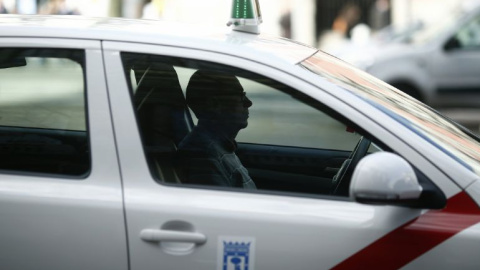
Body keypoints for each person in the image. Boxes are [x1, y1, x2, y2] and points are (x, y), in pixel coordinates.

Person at [177, 69, 256, 189]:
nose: (248, 103)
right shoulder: (204, 156)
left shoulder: (220, 146)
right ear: (214, 105)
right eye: (241, 96)